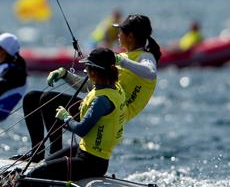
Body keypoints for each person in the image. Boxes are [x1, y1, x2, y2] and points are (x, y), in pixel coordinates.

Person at [19, 14, 159, 161]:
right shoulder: (125, 56)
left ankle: (54, 155)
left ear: (130, 36)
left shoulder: (145, 58)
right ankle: (37, 153)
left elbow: (150, 73)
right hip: (99, 104)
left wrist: (120, 60)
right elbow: (90, 86)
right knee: (31, 98)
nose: (118, 35)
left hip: (109, 115)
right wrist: (65, 75)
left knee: (48, 100)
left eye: (121, 31)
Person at [12, 48, 126, 187]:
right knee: (43, 165)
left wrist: (66, 118)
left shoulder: (102, 100)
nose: (85, 71)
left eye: (88, 68)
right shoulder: (114, 88)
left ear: (96, 72)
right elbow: (90, 89)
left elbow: (82, 129)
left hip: (90, 162)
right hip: (85, 152)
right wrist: (65, 75)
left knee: (38, 174)